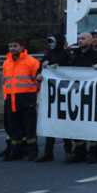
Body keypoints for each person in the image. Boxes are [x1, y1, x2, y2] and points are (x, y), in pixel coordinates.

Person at [0, 38, 41, 161]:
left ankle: (32, 151)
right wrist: (7, 98)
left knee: (29, 128)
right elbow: (7, 82)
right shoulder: (6, 63)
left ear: (22, 47)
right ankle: (16, 151)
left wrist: (31, 94)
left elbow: (38, 82)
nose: (12, 48)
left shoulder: (31, 62)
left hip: (26, 99)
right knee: (14, 128)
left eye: (15, 46)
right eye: (10, 46)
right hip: (10, 99)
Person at [68, 32, 97, 163]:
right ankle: (80, 152)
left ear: (90, 41)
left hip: (93, 96)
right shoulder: (75, 56)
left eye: (83, 39)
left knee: (92, 126)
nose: (80, 41)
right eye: (79, 38)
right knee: (77, 126)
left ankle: (94, 153)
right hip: (77, 95)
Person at [34, 33, 72, 162]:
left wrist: (60, 68)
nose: (51, 44)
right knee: (49, 122)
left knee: (64, 123)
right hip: (50, 94)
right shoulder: (48, 54)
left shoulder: (66, 54)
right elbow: (39, 71)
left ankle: (68, 151)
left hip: (63, 94)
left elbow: (73, 71)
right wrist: (39, 74)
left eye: (53, 41)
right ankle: (48, 152)